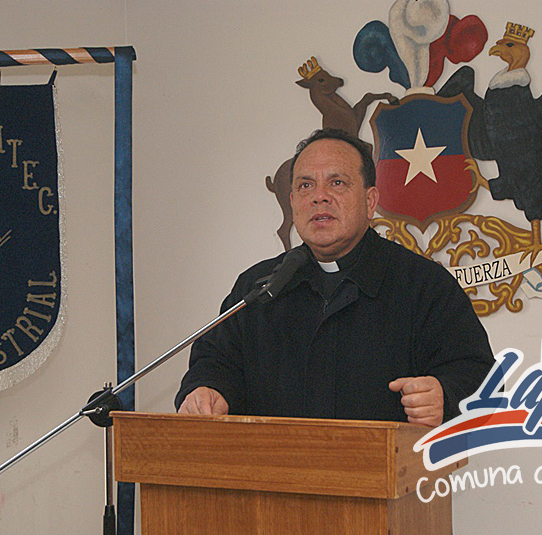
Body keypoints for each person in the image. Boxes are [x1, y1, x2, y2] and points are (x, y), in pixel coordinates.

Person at [175, 129, 493, 426]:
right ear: (292, 203)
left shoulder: (423, 285)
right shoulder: (258, 288)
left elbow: (481, 380)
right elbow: (215, 364)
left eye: (337, 182)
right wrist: (207, 390)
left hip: (385, 467)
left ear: (370, 202)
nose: (319, 197)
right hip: (271, 467)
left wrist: (445, 397)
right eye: (305, 185)